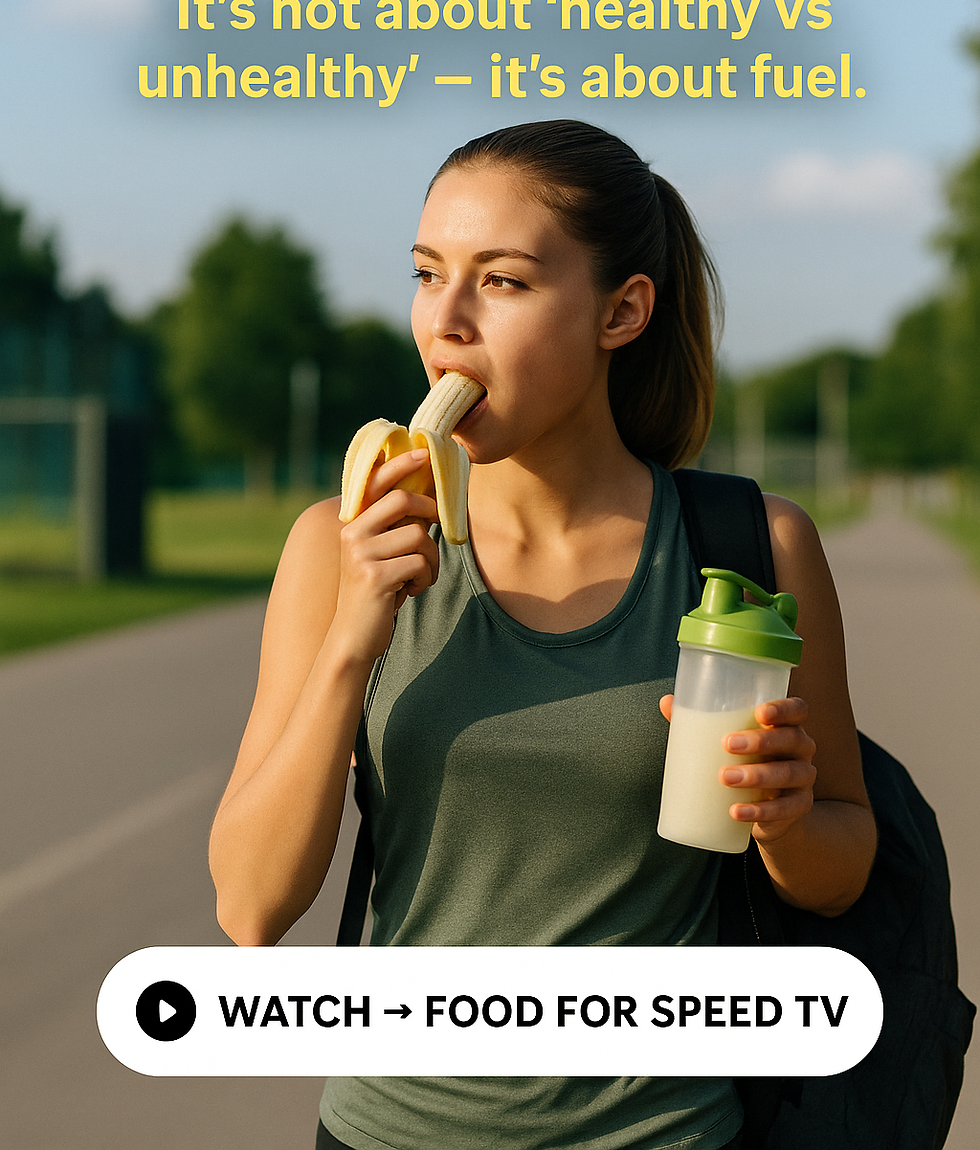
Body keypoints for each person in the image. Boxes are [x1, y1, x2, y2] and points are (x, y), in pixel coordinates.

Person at [209, 119, 877, 1150]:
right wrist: (351, 638)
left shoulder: (751, 546)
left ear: (622, 311)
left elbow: (842, 863)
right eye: (428, 275)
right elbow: (250, 910)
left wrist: (785, 818)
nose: (447, 322)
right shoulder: (331, 548)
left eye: (504, 282)